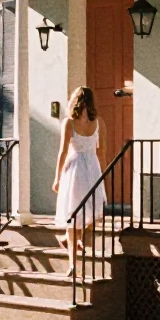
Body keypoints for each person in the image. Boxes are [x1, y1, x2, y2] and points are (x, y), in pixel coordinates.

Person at [53, 86, 107, 273]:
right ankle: (72, 241)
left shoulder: (69, 123)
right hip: (92, 167)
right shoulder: (99, 123)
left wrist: (57, 178)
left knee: (72, 213)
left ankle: (73, 264)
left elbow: (62, 152)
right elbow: (102, 153)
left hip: (75, 168)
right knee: (86, 208)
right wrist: (103, 177)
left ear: (75, 101)